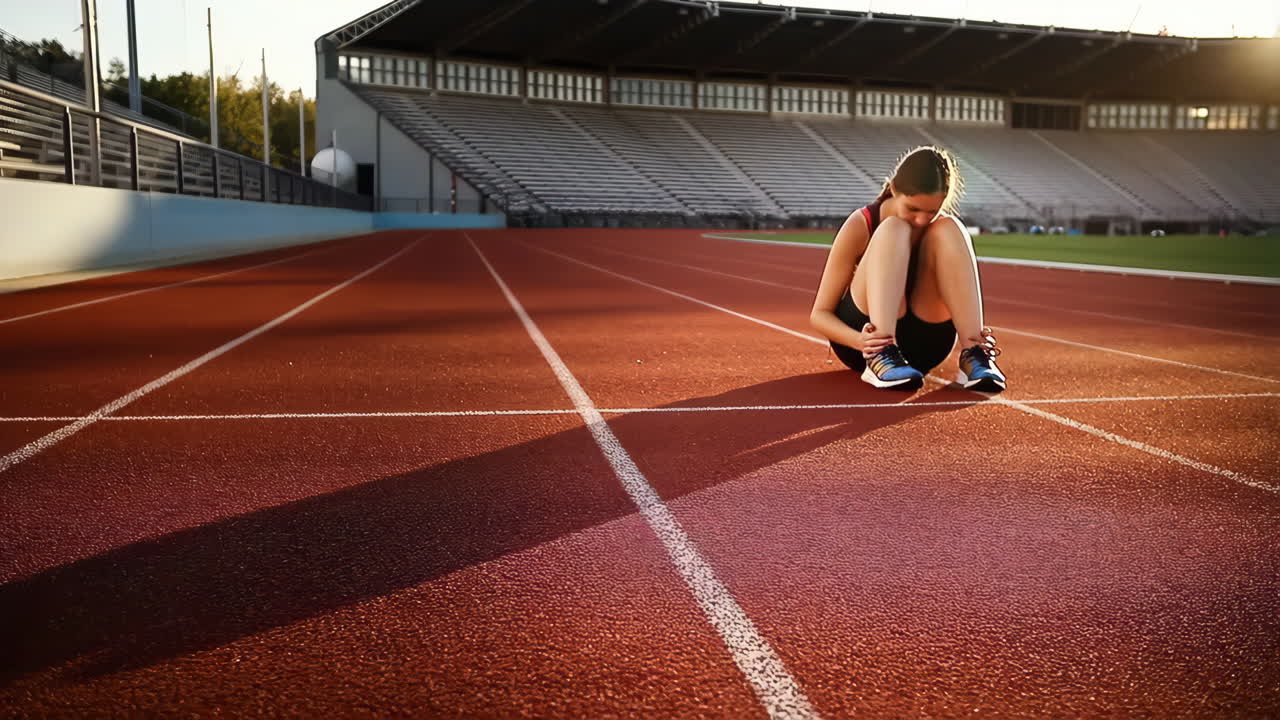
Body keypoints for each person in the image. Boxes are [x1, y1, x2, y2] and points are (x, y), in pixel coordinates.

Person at [809, 145, 1006, 392]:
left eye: (932, 211)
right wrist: (862, 342)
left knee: (951, 226)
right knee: (894, 228)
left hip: (926, 346)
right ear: (893, 190)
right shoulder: (863, 222)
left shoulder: (939, 229)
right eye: (913, 209)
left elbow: (938, 225)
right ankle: (881, 357)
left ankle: (974, 354)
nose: (921, 220)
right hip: (865, 343)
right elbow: (819, 314)